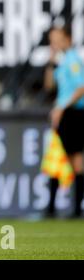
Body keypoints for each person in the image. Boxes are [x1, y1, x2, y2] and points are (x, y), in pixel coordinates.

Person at [44, 25, 84, 218]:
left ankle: (76, 209)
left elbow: (81, 88)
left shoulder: (73, 60)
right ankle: (52, 208)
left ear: (67, 39)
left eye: (57, 38)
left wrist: (62, 107)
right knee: (57, 157)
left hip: (73, 114)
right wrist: (51, 63)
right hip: (64, 114)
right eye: (51, 39)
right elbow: (49, 86)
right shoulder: (60, 61)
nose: (54, 43)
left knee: (75, 160)